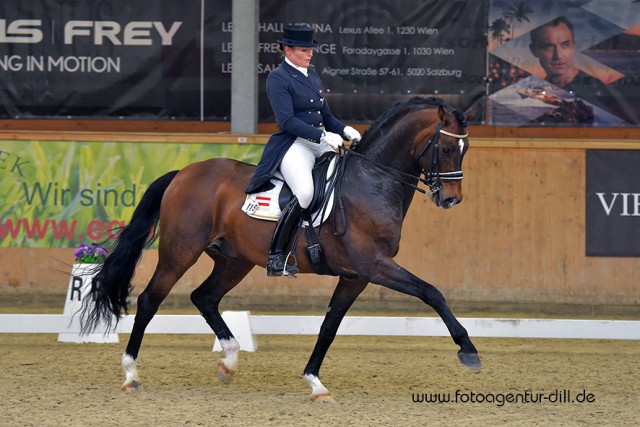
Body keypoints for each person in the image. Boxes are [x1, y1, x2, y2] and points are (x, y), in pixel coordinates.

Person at [245, 24, 361, 277]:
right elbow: (286, 121)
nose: (309, 54)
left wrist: (344, 130)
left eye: (311, 50)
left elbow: (326, 115)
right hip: (294, 143)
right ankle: (277, 255)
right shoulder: (278, 77)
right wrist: (322, 135)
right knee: (306, 193)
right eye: (304, 50)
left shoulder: (313, 75)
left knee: (344, 180)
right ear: (288, 50)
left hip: (321, 141)